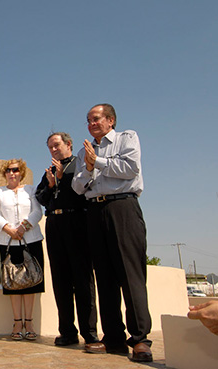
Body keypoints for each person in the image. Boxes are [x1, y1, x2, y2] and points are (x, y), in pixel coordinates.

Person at [72, 103, 152, 362]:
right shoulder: (86, 152)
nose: (91, 124)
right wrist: (89, 167)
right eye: (88, 120)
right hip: (95, 212)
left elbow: (130, 169)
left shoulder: (126, 138)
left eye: (96, 119)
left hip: (122, 208)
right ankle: (114, 338)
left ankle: (140, 339)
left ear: (110, 120)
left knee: (131, 275)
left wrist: (100, 163)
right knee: (104, 278)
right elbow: (77, 187)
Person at [35, 133, 99, 346]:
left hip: (77, 222)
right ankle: (67, 332)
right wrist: (52, 185)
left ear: (68, 144)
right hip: (54, 224)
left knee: (82, 279)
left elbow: (83, 192)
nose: (53, 150)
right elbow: (40, 197)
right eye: (50, 147)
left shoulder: (79, 165)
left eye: (56, 145)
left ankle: (89, 333)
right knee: (60, 281)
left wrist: (64, 179)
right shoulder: (49, 171)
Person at [0, 159, 44, 341]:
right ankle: (16, 323)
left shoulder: (30, 190)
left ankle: (29, 323)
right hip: (8, 241)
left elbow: (37, 211)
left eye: (15, 170)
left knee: (31, 282)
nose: (11, 173)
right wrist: (9, 230)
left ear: (20, 172)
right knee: (12, 282)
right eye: (8, 170)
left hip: (31, 240)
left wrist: (24, 227)